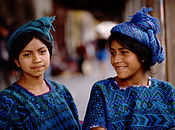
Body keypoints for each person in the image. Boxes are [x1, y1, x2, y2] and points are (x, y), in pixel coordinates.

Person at [83, 7, 175, 129]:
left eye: (124, 52)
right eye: (113, 53)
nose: (115, 60)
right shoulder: (102, 90)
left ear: (142, 56)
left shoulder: (166, 91)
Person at [0, 16, 81, 129]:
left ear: (50, 54)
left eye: (42, 51)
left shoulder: (62, 91)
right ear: (17, 61)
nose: (37, 59)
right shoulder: (9, 100)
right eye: (27, 54)